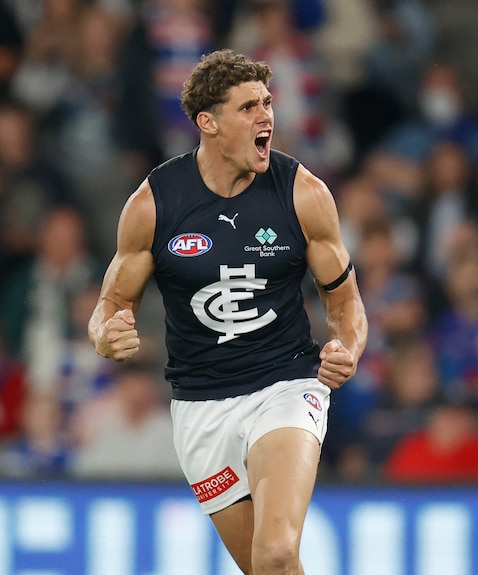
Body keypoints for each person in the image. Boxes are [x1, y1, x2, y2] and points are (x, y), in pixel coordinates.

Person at [87, 49, 367, 575]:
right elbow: (113, 303)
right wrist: (106, 333)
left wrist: (346, 350)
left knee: (277, 549)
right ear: (207, 123)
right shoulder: (154, 204)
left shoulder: (302, 194)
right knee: (268, 569)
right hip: (201, 407)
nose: (267, 117)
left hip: (287, 386)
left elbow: (346, 303)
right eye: (248, 108)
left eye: (267, 103)